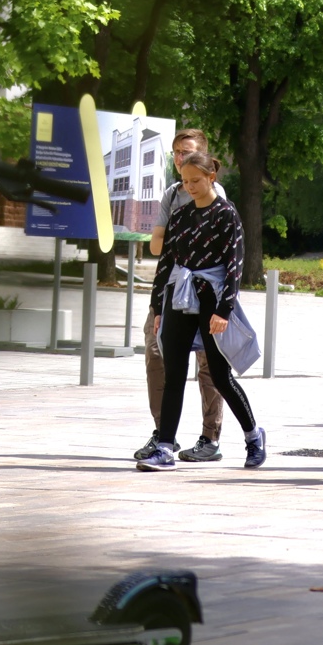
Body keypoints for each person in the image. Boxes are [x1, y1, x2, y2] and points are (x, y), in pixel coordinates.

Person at [139, 152, 266, 471]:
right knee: (174, 374)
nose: (190, 186)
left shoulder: (226, 214)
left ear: (212, 177)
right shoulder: (180, 216)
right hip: (179, 297)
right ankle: (165, 447)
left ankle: (253, 437)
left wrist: (223, 310)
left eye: (195, 180)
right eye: (185, 181)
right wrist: (157, 306)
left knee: (220, 376)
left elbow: (234, 266)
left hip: (212, 298)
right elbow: (166, 262)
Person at [138, 128, 226, 465]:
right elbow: (156, 246)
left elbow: (220, 251)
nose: (179, 158)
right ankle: (164, 434)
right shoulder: (172, 194)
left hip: (204, 293)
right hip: (170, 288)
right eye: (176, 152)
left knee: (209, 365)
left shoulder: (217, 196)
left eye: (186, 151)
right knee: (155, 355)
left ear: (203, 158)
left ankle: (210, 437)